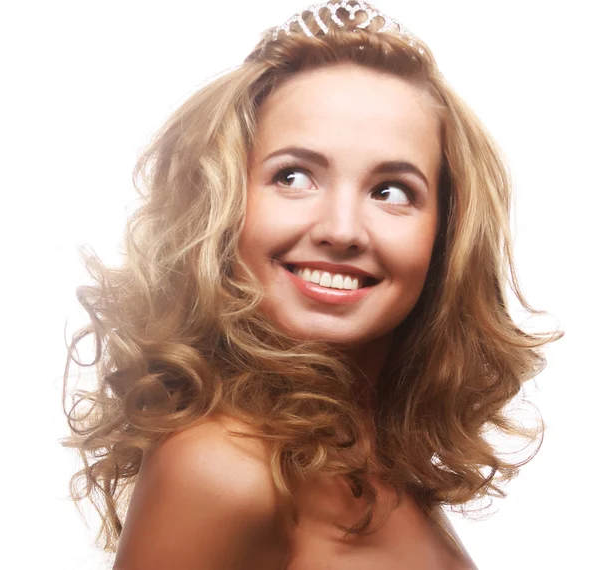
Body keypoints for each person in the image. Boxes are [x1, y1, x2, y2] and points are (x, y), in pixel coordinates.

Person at [62, 2, 562, 568]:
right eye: (293, 177)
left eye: (391, 191)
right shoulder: (221, 469)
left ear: (446, 232)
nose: (342, 230)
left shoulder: (375, 459)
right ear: (222, 206)